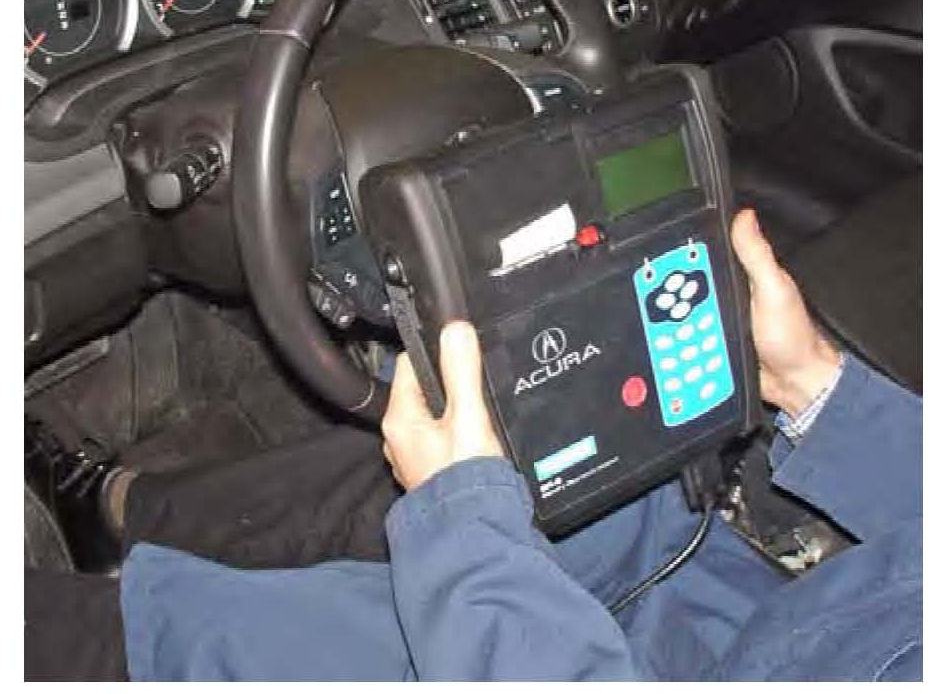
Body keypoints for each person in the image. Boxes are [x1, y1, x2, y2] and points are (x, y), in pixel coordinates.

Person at [25, 210, 923, 680]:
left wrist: (463, 530)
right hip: (766, 616)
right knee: (478, 457)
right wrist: (820, 389)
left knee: (215, 644)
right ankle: (120, 510)